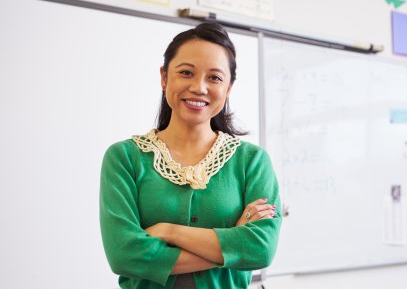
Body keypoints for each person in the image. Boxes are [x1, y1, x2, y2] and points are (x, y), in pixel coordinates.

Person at [99, 22, 281, 289]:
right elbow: (124, 255)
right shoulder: (124, 157)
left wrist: (168, 231)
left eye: (215, 77)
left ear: (229, 88)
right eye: (186, 72)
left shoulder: (252, 161)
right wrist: (233, 242)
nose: (199, 87)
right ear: (164, 77)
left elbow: (261, 249)